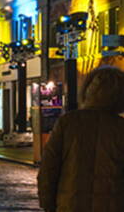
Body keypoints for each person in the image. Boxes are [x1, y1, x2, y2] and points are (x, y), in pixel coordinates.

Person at [38, 66, 124, 211]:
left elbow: (48, 169)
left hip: (70, 205)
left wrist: (49, 205)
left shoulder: (68, 122)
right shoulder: (120, 127)